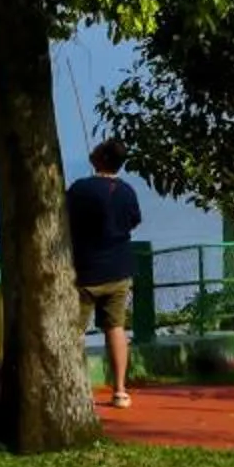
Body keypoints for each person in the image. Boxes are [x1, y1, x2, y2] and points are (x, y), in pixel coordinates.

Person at [66, 140, 144, 410]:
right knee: (116, 327)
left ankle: (77, 389)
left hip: (85, 271)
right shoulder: (127, 191)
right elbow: (134, 220)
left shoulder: (80, 189)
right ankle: (120, 390)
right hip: (119, 270)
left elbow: (63, 217)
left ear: (102, 157)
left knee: (74, 332)